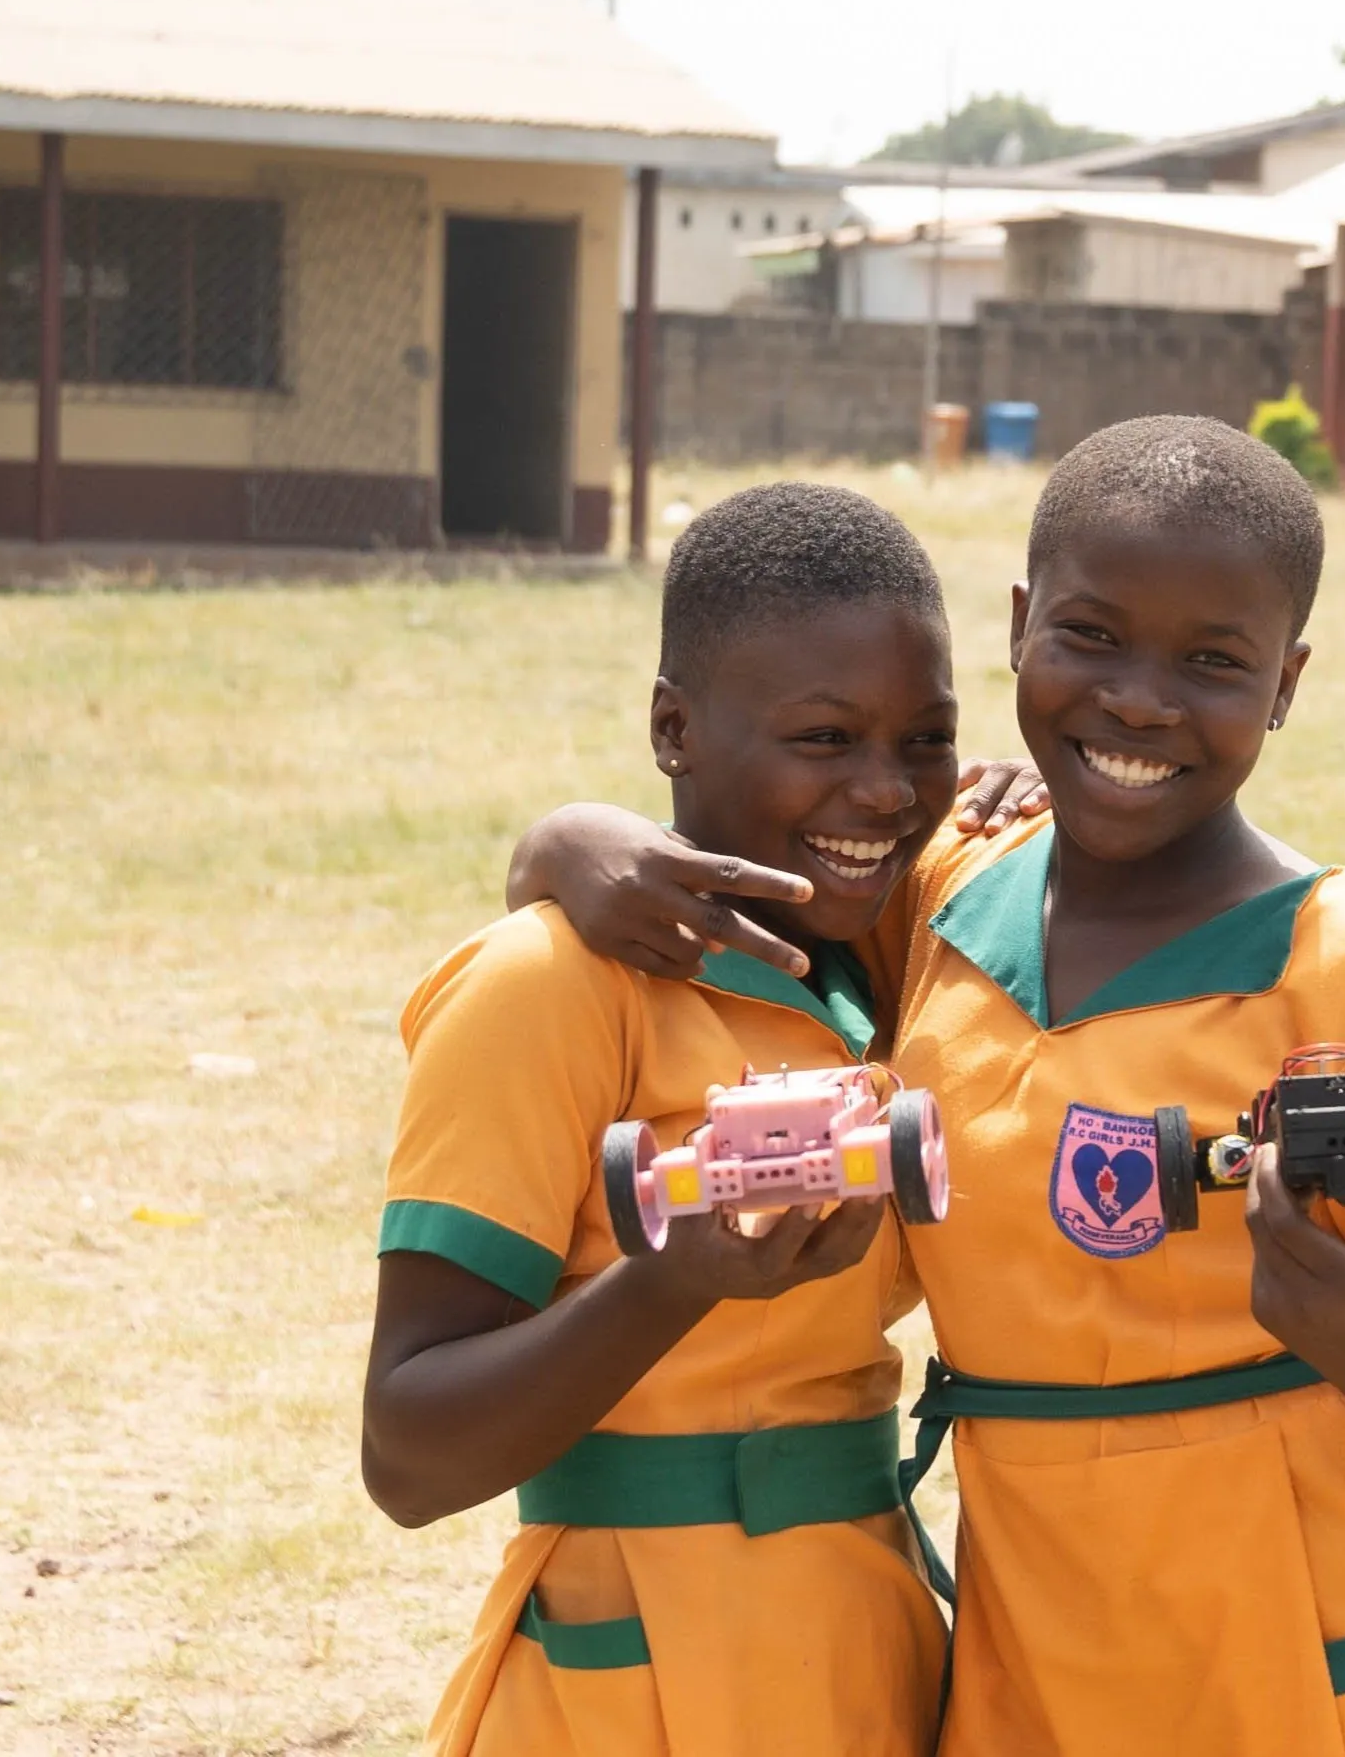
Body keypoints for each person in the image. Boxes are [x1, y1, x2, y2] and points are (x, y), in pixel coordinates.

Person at [519, 420, 1345, 1754]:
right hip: (1039, 1665)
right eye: (1092, 635)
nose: (1141, 699)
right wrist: (564, 842)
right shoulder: (936, 900)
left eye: (1212, 662)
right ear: (1016, 627)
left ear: (1284, 683)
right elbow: (704, 860)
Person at [362, 481, 962, 1757]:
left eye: (925, 739)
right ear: (673, 727)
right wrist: (672, 1281)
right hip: (635, 1673)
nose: (885, 793)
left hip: (867, 1643)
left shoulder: (901, 954)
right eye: (823, 738)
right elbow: (407, 1452)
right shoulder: (548, 987)